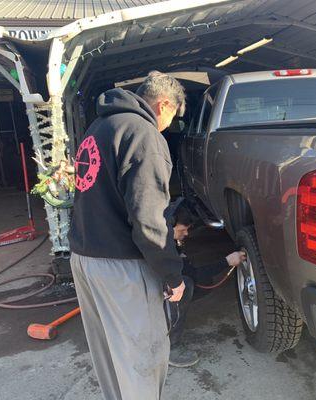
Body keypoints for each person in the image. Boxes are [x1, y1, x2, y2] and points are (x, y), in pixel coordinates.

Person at [68, 71, 186, 400]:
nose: (168, 127)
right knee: (141, 359)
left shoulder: (99, 128)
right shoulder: (144, 135)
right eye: (173, 118)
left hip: (85, 259)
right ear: (163, 105)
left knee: (110, 357)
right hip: (121, 267)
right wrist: (172, 275)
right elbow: (149, 220)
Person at [166, 201, 246, 368]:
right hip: (144, 293)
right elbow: (192, 275)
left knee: (195, 282)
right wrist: (226, 262)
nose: (186, 234)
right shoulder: (160, 247)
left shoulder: (168, 240)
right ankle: (170, 346)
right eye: (182, 230)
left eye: (187, 229)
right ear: (168, 225)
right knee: (185, 285)